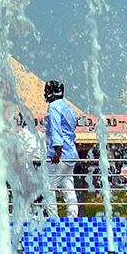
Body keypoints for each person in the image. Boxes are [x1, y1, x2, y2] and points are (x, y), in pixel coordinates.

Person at [44, 80, 79, 218]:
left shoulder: (53, 107)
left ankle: (53, 220)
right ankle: (72, 217)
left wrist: (57, 153)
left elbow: (56, 130)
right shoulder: (70, 107)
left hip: (61, 154)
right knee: (68, 186)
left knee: (48, 186)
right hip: (71, 153)